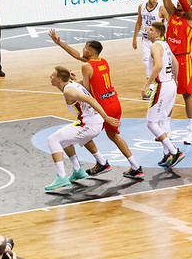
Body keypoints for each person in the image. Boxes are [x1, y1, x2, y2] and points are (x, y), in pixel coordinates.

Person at [49, 30, 143, 178]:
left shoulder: (86, 66)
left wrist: (72, 82)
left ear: (91, 52)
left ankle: (135, 166)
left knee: (101, 134)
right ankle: (102, 162)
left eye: (85, 47)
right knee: (86, 133)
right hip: (114, 101)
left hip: (104, 105)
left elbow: (87, 89)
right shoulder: (103, 61)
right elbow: (81, 63)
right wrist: (59, 43)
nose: (83, 49)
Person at [44, 66, 120, 191]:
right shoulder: (71, 84)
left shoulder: (69, 91)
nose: (50, 78)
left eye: (52, 76)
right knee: (65, 139)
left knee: (52, 140)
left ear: (58, 79)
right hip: (90, 121)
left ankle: (61, 177)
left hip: (90, 124)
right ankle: (78, 170)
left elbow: (90, 99)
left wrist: (106, 117)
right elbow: (80, 86)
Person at [156, 0, 192, 144]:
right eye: (180, 1)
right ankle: (166, 128)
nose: (180, 2)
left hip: (183, 60)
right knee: (167, 93)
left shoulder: (191, 17)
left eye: (184, 1)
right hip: (168, 59)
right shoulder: (173, 13)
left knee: (186, 94)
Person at [143, 21, 185, 169]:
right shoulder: (165, 44)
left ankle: (174, 151)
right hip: (171, 84)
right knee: (160, 120)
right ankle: (167, 153)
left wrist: (147, 83)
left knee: (151, 122)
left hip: (162, 85)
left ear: (158, 34)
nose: (148, 31)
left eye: (151, 30)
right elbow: (176, 64)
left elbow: (159, 65)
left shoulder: (155, 46)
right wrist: (176, 80)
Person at [132, 0, 169, 82]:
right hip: (146, 38)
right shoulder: (142, 6)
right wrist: (134, 38)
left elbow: (170, 22)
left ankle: (163, 79)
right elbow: (139, 22)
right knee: (146, 61)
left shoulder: (161, 8)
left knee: (159, 61)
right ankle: (150, 84)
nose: (154, 0)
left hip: (158, 40)